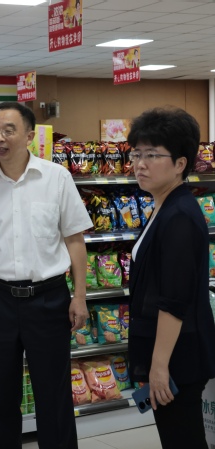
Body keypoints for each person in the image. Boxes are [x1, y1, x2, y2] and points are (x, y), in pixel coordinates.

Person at [0, 102, 92, 449]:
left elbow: (75, 240)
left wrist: (79, 296)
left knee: (53, 393)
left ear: (29, 136)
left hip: (49, 298)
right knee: (1, 394)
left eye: (8, 130)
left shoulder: (56, 178)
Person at [126, 107, 215, 449]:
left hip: (178, 355)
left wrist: (159, 366)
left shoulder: (179, 216)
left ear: (180, 164)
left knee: (183, 439)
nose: (140, 164)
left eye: (152, 155)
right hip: (169, 350)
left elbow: (174, 301)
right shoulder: (163, 206)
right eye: (136, 154)